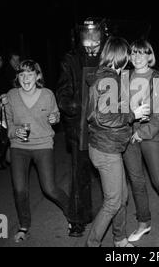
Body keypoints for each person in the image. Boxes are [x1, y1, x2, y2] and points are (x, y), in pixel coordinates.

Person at [85, 36, 150, 247]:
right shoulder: (109, 79)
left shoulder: (107, 76)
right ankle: (92, 244)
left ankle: (119, 239)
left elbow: (103, 113)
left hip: (107, 146)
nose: (131, 58)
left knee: (121, 197)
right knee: (113, 202)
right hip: (106, 150)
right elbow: (105, 118)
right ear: (120, 57)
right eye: (128, 54)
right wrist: (133, 114)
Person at [5, 59, 76, 243]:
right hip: (19, 147)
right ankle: (23, 225)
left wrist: (55, 118)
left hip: (43, 145)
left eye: (30, 74)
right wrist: (14, 131)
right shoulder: (11, 96)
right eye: (22, 74)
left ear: (37, 76)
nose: (25, 78)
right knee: (20, 190)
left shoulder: (47, 94)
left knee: (50, 188)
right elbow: (9, 124)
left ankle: (73, 215)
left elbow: (55, 115)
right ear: (17, 77)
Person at [123, 40, 159, 243]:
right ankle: (144, 222)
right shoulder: (123, 77)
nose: (137, 57)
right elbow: (119, 109)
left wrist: (142, 133)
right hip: (127, 135)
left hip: (151, 134)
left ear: (150, 56)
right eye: (133, 53)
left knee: (158, 179)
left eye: (142, 53)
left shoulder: (158, 79)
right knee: (137, 182)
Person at [56, 18, 107, 237]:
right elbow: (63, 92)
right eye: (88, 38)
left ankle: (114, 216)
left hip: (107, 127)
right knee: (80, 174)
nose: (92, 43)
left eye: (95, 37)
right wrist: (75, 104)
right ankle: (78, 218)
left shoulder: (109, 55)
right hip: (81, 127)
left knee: (110, 172)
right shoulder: (71, 59)